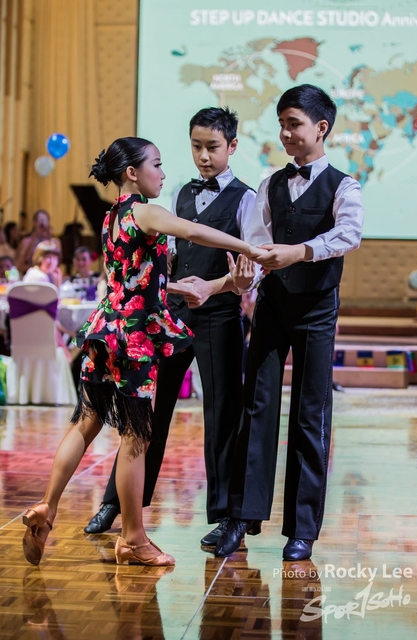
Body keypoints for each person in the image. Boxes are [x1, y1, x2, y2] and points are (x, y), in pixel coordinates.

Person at [21, 136, 262, 567]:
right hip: (132, 338)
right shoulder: (144, 211)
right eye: (157, 164)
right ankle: (133, 538)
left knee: (86, 421)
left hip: (104, 330)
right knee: (137, 435)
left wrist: (178, 287)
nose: (163, 173)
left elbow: (133, 279)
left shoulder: (111, 217)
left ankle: (47, 505)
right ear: (132, 173)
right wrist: (247, 248)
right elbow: (193, 231)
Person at [85, 107, 258, 548]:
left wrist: (215, 287)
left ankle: (227, 517)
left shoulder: (248, 199)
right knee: (145, 413)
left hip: (220, 315)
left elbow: (249, 269)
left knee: (222, 416)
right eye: (196, 147)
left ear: (232, 146)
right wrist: (175, 288)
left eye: (212, 147)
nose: (203, 156)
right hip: (169, 315)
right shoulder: (177, 195)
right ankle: (118, 503)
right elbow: (167, 261)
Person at [215, 84, 364, 561]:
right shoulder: (269, 185)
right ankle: (242, 516)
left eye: (293, 123)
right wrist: (246, 278)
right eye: (281, 124)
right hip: (273, 305)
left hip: (318, 308)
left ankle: (302, 529)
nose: (285, 133)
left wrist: (300, 251)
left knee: (309, 414)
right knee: (256, 407)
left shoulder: (344, 185)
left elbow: (349, 234)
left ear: (321, 128)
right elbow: (258, 245)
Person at [16, 210, 62, 274]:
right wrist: (35, 237)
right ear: (34, 223)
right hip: (30, 273)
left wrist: (49, 237)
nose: (42, 223)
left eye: (45, 220)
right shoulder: (26, 241)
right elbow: (20, 265)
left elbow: (58, 262)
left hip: (48, 274)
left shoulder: (55, 241)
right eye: (40, 220)